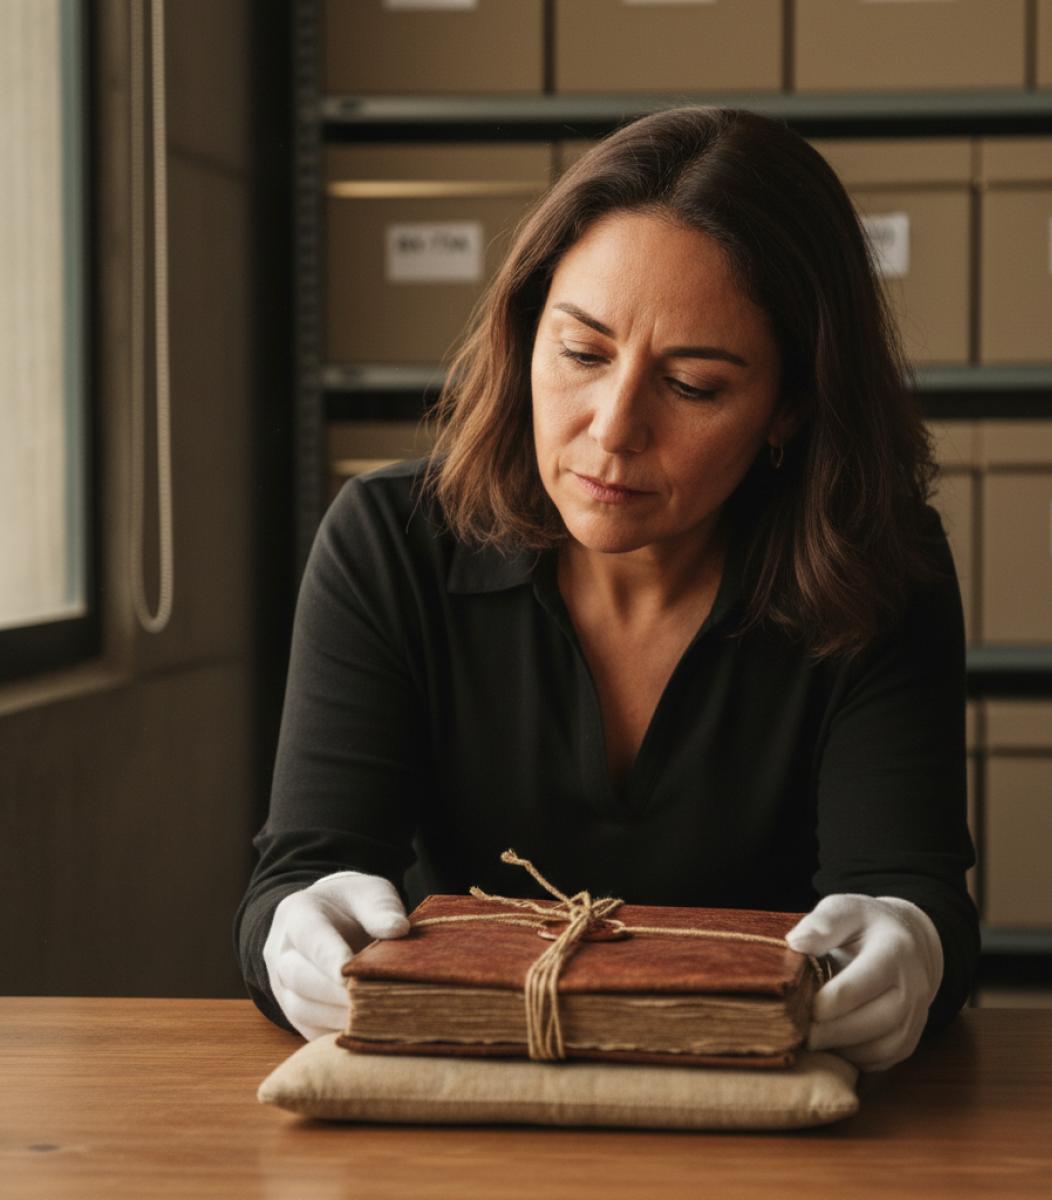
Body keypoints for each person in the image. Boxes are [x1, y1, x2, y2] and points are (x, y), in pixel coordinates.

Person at [234, 106, 978, 1072]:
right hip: (458, 1101)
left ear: (790, 407)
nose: (614, 427)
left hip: (755, 1112)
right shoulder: (392, 542)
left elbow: (916, 895)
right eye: (582, 353)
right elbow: (295, 872)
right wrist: (293, 929)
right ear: (525, 332)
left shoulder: (877, 565)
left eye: (695, 386)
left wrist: (911, 945)